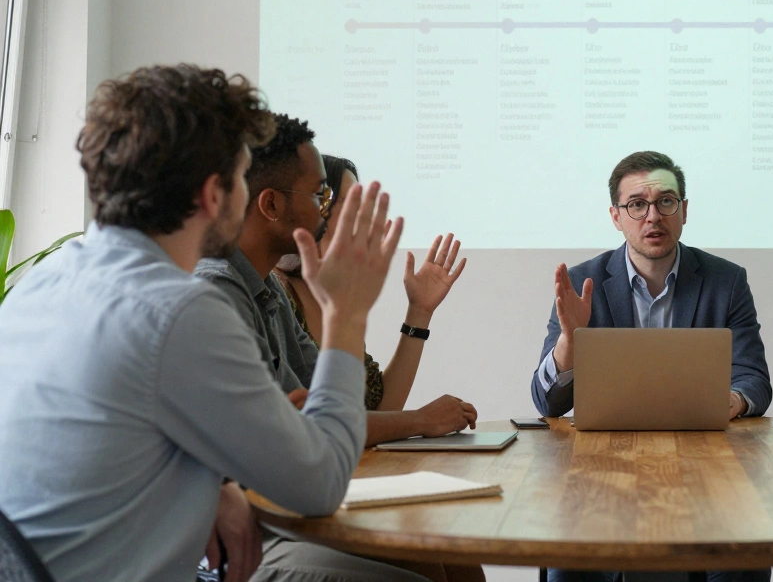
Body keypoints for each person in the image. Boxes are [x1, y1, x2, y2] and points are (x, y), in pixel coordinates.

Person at [0, 65, 399, 582]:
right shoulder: (179, 311)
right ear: (215, 195)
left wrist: (214, 487)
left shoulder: (42, 283)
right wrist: (347, 314)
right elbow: (319, 483)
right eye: (240, 176)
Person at [195, 116, 478, 582]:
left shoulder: (262, 287)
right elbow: (312, 430)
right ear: (270, 205)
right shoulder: (218, 293)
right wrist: (418, 420)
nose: (328, 215)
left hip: (289, 502)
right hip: (254, 528)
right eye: (321, 197)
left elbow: (339, 414)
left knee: (452, 552)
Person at [530, 150, 772, 582]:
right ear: (616, 216)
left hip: (706, 466)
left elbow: (753, 377)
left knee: (743, 559)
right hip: (604, 469)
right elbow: (547, 401)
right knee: (571, 566)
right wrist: (571, 340)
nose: (652, 216)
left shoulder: (726, 280)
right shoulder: (583, 283)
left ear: (684, 211)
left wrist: (732, 400)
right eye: (636, 204)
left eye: (666, 201)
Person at [273, 155, 464, 413]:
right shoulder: (278, 293)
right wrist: (423, 420)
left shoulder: (338, 296)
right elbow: (327, 419)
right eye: (349, 202)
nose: (363, 216)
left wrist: (420, 312)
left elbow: (380, 406)